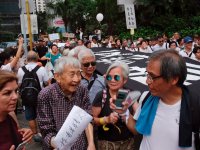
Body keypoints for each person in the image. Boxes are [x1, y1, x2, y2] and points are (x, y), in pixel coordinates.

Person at [111, 49, 199, 150]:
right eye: (147, 75)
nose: (147, 81)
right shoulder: (147, 98)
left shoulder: (195, 106)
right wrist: (124, 112)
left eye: (152, 77)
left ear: (174, 79)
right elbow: (137, 129)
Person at [37, 56, 95, 150]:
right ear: (57, 77)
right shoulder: (46, 95)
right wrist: (59, 145)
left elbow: (87, 118)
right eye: (72, 75)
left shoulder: (82, 90)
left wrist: (91, 144)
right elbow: (46, 129)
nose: (76, 79)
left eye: (78, 74)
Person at [92, 61, 135, 150]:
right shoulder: (102, 95)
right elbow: (92, 120)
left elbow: (137, 127)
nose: (112, 80)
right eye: (109, 77)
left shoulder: (131, 95)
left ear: (125, 80)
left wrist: (125, 115)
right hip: (106, 145)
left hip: (128, 144)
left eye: (116, 77)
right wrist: (106, 119)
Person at [17, 51, 49, 142]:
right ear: (37, 58)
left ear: (27, 59)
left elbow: (19, 84)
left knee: (30, 116)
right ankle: (43, 133)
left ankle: (35, 135)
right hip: (40, 96)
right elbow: (47, 83)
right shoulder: (41, 69)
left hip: (26, 97)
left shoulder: (21, 69)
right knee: (41, 115)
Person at [0, 70, 33, 150]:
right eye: (7, 93)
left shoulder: (10, 116)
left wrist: (21, 134)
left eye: (16, 91)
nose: (15, 97)